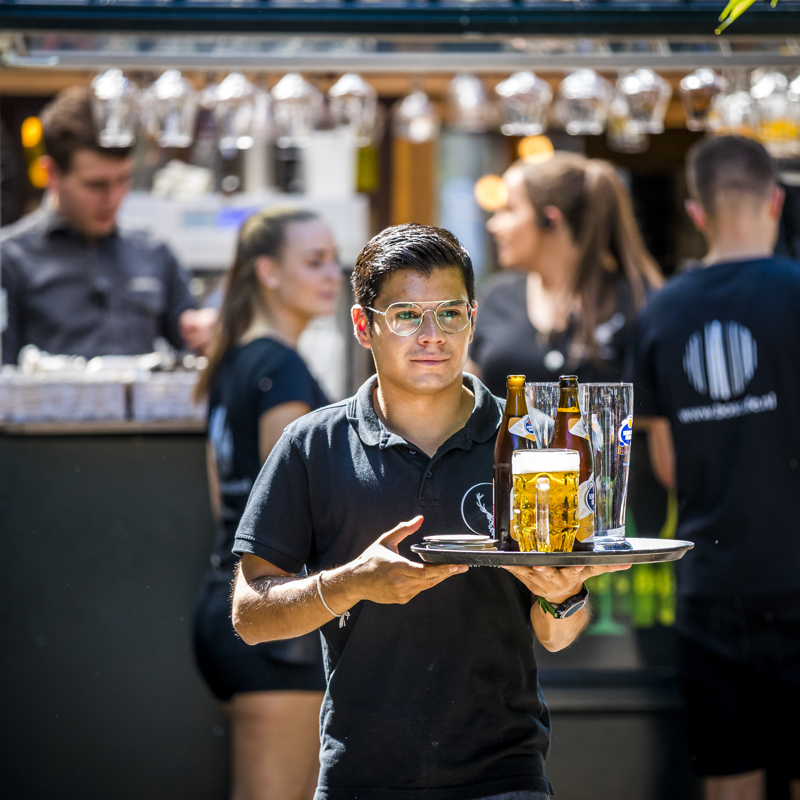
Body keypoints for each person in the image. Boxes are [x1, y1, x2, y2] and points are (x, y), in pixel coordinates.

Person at [230, 223, 630, 800]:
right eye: (405, 315)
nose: (431, 335)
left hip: (505, 776)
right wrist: (351, 584)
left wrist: (560, 592)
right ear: (363, 326)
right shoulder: (312, 444)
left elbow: (559, 634)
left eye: (449, 314)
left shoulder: (535, 442)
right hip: (360, 779)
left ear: (472, 317)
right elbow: (249, 614)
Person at [630, 135, 800, 800]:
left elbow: (668, 465)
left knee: (730, 781)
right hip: (797, 574)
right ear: (776, 202)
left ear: (697, 213)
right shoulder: (796, 293)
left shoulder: (663, 310)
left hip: (711, 583)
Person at [193, 207, 342, 800]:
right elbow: (298, 501)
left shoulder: (232, 361)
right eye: (314, 261)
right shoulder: (280, 366)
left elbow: (221, 501)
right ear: (268, 272)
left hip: (225, 605)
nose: (332, 273)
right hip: (276, 621)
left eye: (334, 258)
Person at [0, 85, 215, 364]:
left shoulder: (153, 250)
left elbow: (192, 346)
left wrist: (209, 334)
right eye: (96, 185)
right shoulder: (11, 258)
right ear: (51, 174)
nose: (112, 199)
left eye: (123, 180)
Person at [469, 152, 662, 397]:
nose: (493, 225)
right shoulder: (499, 296)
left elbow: (658, 422)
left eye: (508, 210)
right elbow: (467, 400)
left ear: (550, 220)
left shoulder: (635, 301)